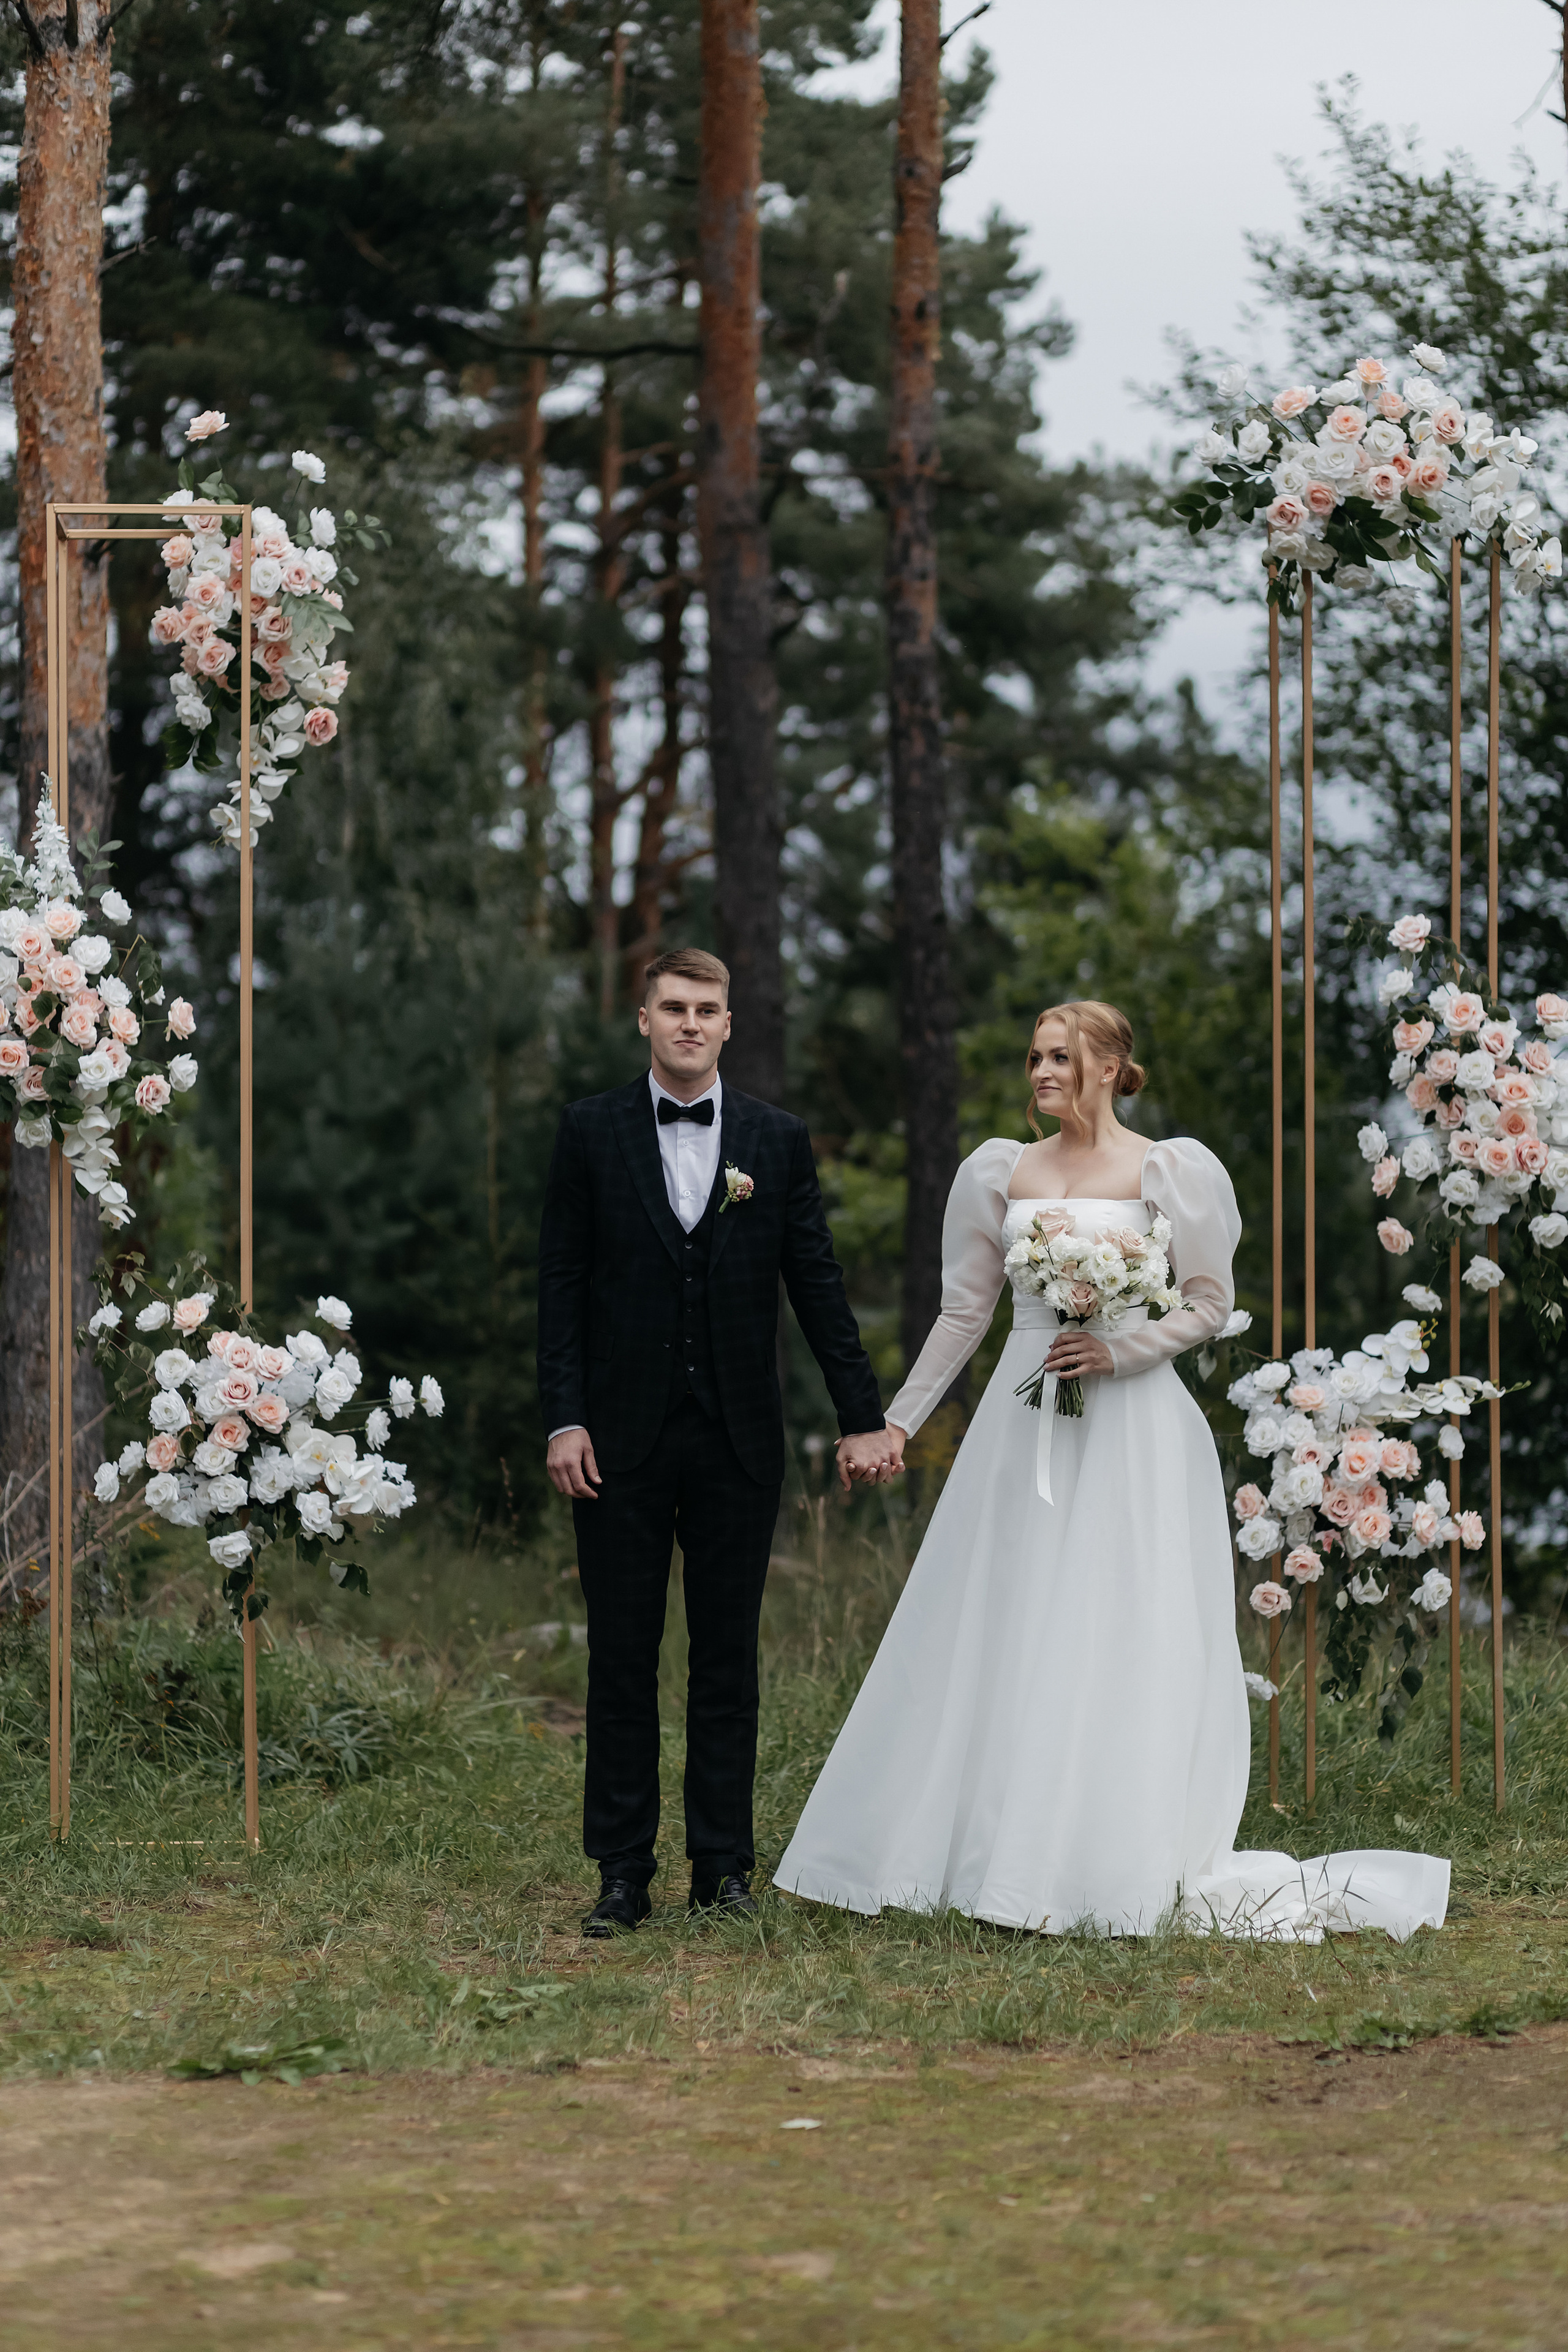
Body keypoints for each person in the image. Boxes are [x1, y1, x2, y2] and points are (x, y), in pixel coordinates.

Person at [775, 1001, 1450, 1941]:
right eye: (1034, 1058)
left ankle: (1096, 1856)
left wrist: (1120, 1349)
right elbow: (964, 1314)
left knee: (1113, 1622)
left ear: (1106, 1067)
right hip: (1023, 1425)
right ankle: (978, 1849)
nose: (1040, 1073)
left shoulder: (1170, 1169)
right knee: (1004, 1616)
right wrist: (896, 1423)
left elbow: (1208, 1302)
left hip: (1134, 1426)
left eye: (1059, 1057)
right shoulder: (998, 1171)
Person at [537, 946, 897, 1937]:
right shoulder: (590, 1131)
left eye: (706, 1009)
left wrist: (862, 1415)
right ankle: (621, 1874)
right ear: (644, 1020)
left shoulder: (777, 1140)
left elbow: (816, 1284)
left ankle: (722, 1869)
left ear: (729, 1024)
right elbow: (560, 1285)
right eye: (673, 1008)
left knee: (727, 1660)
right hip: (615, 1442)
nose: (690, 1024)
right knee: (622, 1659)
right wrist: (564, 1417)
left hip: (740, 1439)